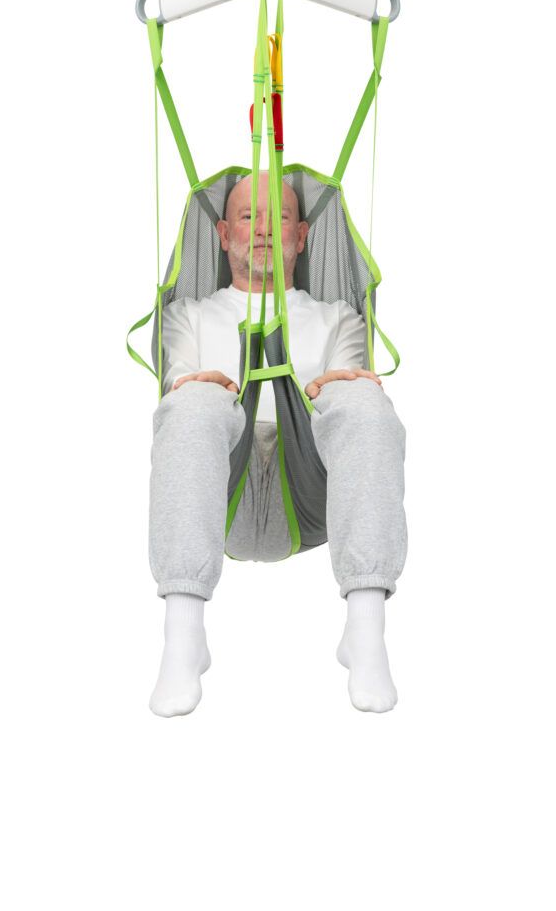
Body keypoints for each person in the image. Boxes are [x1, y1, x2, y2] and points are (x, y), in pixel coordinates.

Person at [148, 172, 407, 716]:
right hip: (221, 492)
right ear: (223, 235)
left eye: (280, 217)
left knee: (363, 398)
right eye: (249, 216)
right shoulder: (187, 315)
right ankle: (183, 634)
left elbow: (344, 397)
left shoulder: (338, 318)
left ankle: (365, 628)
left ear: (303, 235)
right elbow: (177, 389)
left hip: (310, 488)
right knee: (193, 402)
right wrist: (200, 390)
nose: (264, 229)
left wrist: (335, 390)